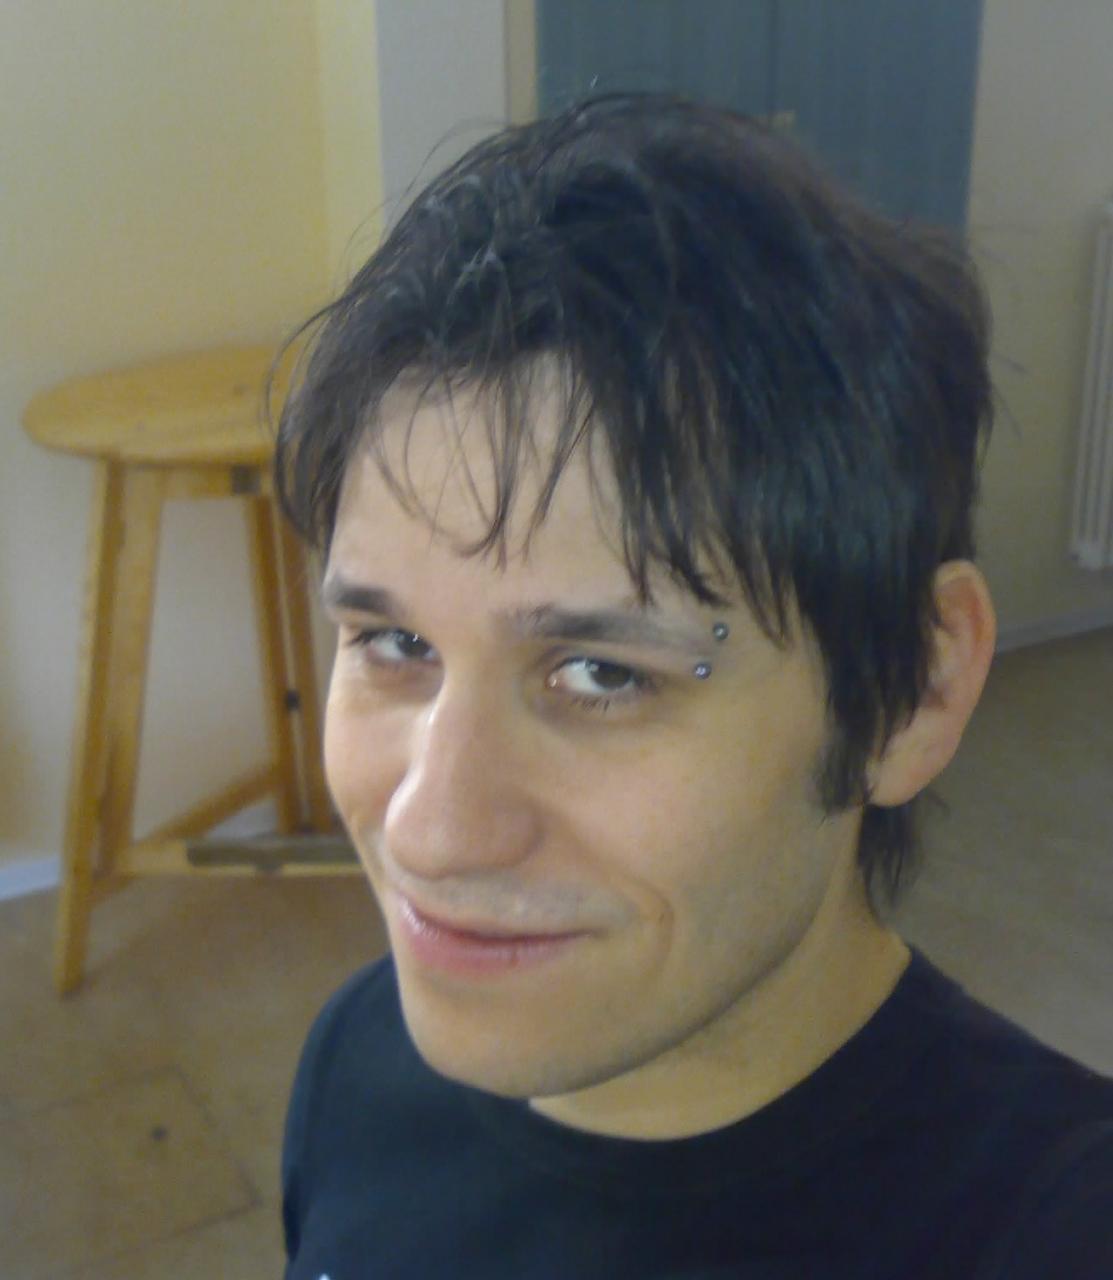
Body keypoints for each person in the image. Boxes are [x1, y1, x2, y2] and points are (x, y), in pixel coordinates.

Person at [274, 95, 1112, 1278]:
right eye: (393, 642)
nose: (431, 830)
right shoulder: (357, 1063)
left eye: (602, 672)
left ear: (913, 690)